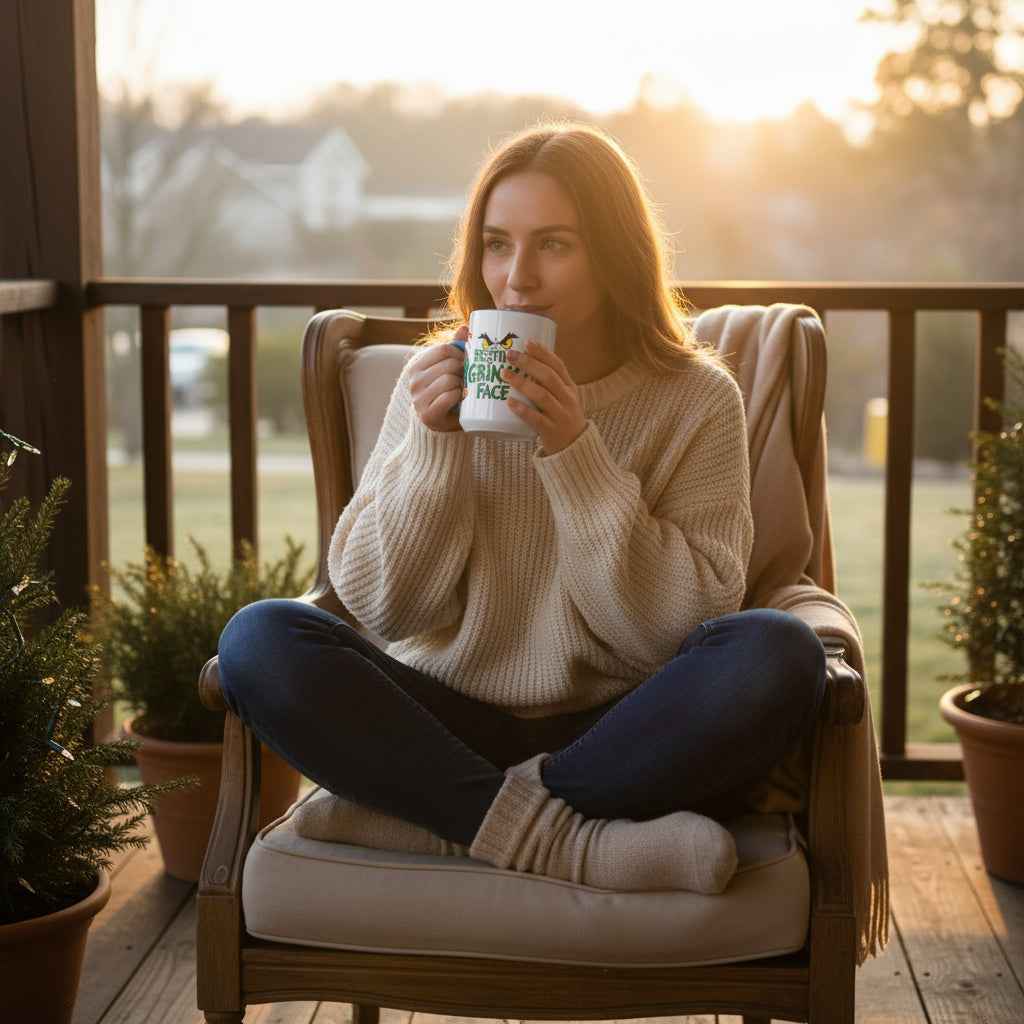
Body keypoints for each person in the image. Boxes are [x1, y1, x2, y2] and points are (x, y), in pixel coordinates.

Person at [217, 120, 826, 895]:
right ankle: (571, 843)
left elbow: (671, 630)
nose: (517, 278)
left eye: (555, 245)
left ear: (616, 255)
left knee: (777, 652)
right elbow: (386, 608)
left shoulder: (697, 398)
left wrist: (575, 453)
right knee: (259, 636)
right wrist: (435, 448)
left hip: (618, 728)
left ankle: (435, 820)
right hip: (440, 721)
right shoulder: (431, 383)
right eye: (497, 244)